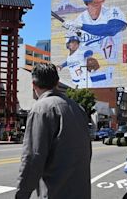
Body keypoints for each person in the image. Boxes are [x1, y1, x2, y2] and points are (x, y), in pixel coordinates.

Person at [15, 63, 92, 199]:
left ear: (33, 84)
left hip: (55, 192)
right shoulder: (78, 108)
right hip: (81, 191)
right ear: (57, 82)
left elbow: (33, 157)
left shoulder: (41, 109)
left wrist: (22, 194)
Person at [62, 0, 127, 87]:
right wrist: (70, 32)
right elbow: (72, 50)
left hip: (110, 79)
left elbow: (111, 29)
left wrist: (80, 26)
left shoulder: (113, 11)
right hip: (84, 81)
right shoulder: (78, 20)